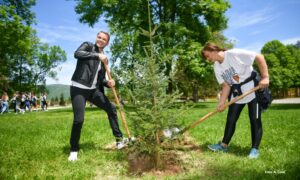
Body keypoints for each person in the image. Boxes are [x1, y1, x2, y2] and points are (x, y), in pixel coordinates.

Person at [201, 42, 269, 159]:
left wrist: (265, 77)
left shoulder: (233, 54)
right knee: (231, 119)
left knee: (254, 119)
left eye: (207, 56)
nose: (208, 59)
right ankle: (223, 146)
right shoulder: (217, 67)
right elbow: (227, 85)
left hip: (253, 90)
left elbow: (259, 57)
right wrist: (221, 103)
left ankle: (254, 149)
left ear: (213, 50)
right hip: (237, 94)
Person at [68, 31, 126, 162]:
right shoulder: (88, 46)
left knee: (111, 109)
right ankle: (74, 149)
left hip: (93, 91)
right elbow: (77, 54)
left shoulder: (104, 58)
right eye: (99, 37)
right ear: (96, 38)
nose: (100, 40)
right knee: (79, 120)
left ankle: (119, 140)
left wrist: (108, 83)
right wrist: (96, 55)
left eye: (104, 39)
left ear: (107, 43)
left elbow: (100, 79)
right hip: (79, 88)